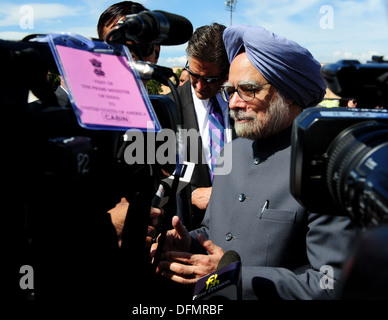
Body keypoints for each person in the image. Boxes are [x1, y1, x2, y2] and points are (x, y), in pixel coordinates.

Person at [152, 25, 360, 300]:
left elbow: (332, 285)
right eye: (231, 90)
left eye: (248, 90)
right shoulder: (232, 153)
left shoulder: (325, 168)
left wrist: (234, 276)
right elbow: (217, 233)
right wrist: (189, 242)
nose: (233, 103)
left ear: (288, 93)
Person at [167, 23, 236, 231]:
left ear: (227, 73)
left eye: (209, 79)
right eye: (194, 75)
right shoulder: (166, 109)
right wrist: (192, 194)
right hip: (187, 232)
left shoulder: (244, 104)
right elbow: (155, 177)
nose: (199, 86)